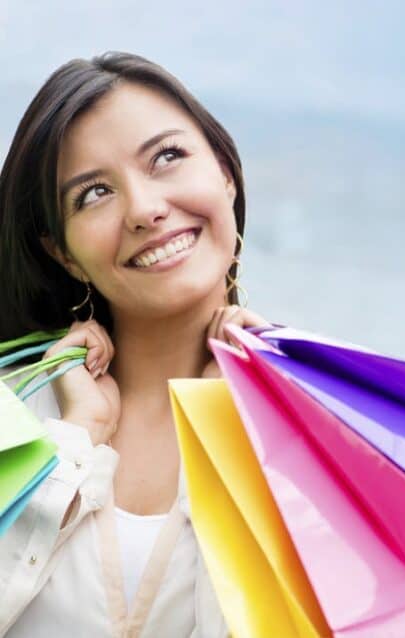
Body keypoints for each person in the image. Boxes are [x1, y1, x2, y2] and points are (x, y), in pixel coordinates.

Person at [0, 51, 271, 636]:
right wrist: (76, 437)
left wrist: (227, 442)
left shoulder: (318, 422)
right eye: (94, 193)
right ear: (62, 251)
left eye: (167, 157)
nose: (145, 209)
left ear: (225, 171)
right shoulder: (16, 415)